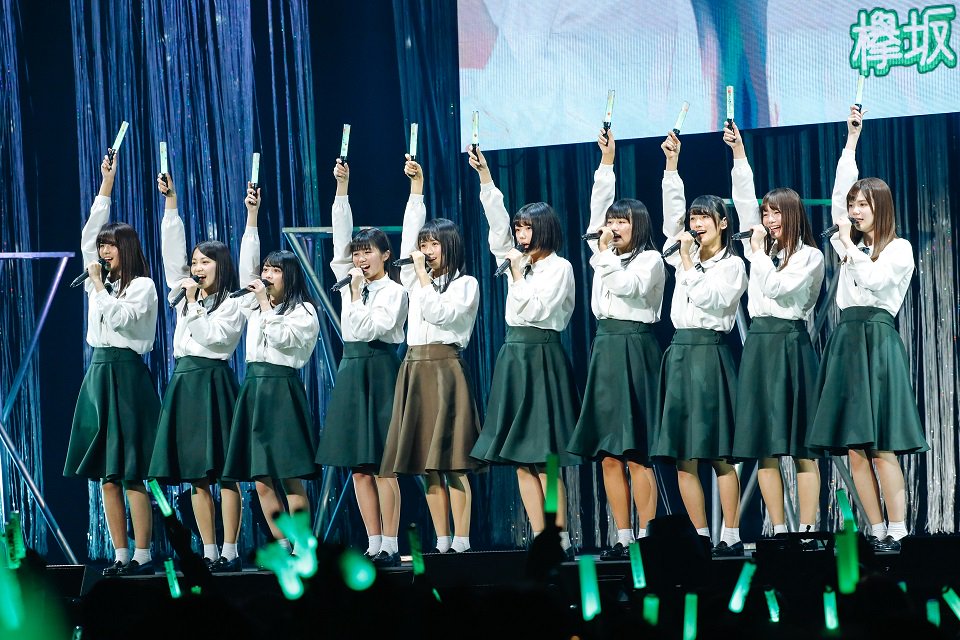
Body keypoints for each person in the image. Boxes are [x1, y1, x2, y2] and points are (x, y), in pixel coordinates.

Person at [806, 107, 927, 552]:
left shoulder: (899, 249)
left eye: (863, 205)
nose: (854, 211)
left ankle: (898, 528)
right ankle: (875, 530)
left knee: (882, 446)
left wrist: (848, 248)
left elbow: (875, 281)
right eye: (853, 205)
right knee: (855, 446)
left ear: (881, 208)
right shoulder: (850, 244)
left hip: (877, 339)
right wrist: (851, 142)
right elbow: (840, 193)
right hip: (847, 339)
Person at [467, 146, 581, 557]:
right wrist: (486, 179)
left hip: (542, 356)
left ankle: (559, 536)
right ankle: (540, 537)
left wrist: (517, 276)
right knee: (519, 458)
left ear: (544, 229)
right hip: (513, 356)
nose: (520, 235)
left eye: (528, 228)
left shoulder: (559, 267)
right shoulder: (518, 260)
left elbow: (536, 309)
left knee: (545, 458)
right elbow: (495, 225)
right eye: (519, 228)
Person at [567, 129, 665, 558]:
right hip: (605, 347)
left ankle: (648, 537)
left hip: (636, 347)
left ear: (637, 224)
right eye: (611, 221)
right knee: (609, 453)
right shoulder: (604, 254)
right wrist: (606, 163)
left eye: (622, 221)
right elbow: (597, 208)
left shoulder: (651, 259)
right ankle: (622, 536)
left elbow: (629, 288)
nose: (613, 227)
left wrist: (604, 254)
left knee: (636, 450)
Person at [724, 122, 825, 537]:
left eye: (775, 212)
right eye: (765, 212)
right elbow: (742, 198)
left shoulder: (810, 256)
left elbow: (777, 287)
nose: (767, 219)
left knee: (801, 446)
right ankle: (779, 529)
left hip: (791, 344)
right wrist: (739, 154)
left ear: (792, 214)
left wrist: (757, 254)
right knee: (764, 447)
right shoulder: (762, 248)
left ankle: (807, 528)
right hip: (760, 346)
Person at [651, 130, 748, 556]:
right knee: (684, 455)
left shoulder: (733, 266)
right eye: (694, 217)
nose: (696, 223)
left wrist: (688, 263)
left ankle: (732, 533)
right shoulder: (681, 252)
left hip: (711, 353)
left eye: (705, 217)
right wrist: (671, 166)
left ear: (722, 223)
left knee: (720, 453)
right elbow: (671, 213)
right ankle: (700, 536)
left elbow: (713, 300)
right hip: (680, 353)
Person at [380, 155, 482, 556]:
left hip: (445, 369)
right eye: (423, 245)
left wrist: (422, 279)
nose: (425, 250)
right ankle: (441, 539)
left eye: (433, 244)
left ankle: (463, 539)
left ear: (449, 246)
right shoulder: (415, 276)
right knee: (427, 464)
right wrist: (416, 190)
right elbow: (409, 235)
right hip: (414, 366)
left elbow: (439, 313)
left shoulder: (466, 284)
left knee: (451, 461)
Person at [64, 153, 160, 576]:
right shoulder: (100, 281)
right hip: (99, 372)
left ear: (126, 248)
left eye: (110, 245)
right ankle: (120, 555)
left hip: (127, 374)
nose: (102, 251)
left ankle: (143, 553)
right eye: (101, 246)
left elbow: (122, 319)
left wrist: (99, 289)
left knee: (132, 470)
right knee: (106, 473)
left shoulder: (142, 286)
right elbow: (87, 235)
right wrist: (106, 185)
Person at [149, 171, 246, 571]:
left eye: (205, 262)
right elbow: (171, 252)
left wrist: (191, 306)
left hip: (214, 381)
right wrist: (171, 203)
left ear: (221, 266)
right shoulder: (185, 292)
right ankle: (208, 550)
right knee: (196, 475)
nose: (196, 267)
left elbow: (216, 340)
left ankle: (231, 550)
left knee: (226, 473)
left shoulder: (233, 303)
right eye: (194, 262)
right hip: (184, 382)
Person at [314, 159, 406, 567]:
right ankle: (373, 541)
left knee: (385, 465)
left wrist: (352, 297)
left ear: (385, 255)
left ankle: (391, 542)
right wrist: (342, 189)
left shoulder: (393, 291)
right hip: (352, 371)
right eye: (357, 253)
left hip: (381, 370)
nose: (360, 259)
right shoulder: (351, 280)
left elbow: (374, 328)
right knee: (359, 467)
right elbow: (340, 235)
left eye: (367, 252)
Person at [222, 184, 321, 553]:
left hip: (282, 390)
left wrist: (264, 305)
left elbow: (283, 339)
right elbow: (247, 264)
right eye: (266, 268)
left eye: (275, 270)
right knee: (261, 479)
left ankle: (303, 545)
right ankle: (283, 544)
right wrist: (252, 216)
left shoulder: (303, 311)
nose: (266, 274)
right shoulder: (255, 303)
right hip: (254, 389)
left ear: (289, 276)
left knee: (290, 476)